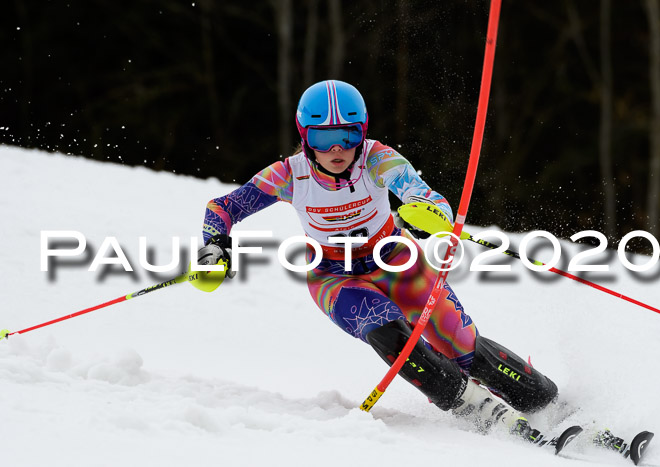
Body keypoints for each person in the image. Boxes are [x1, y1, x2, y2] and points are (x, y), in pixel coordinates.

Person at [197, 79, 557, 437]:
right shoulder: (290, 175)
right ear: (305, 136)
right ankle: (472, 405)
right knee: (389, 334)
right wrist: (215, 244)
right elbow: (224, 207)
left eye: (349, 136)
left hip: (396, 259)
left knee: (461, 345)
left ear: (363, 132)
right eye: (323, 138)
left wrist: (427, 212)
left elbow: (426, 195)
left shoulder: (377, 159)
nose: (337, 148)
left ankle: (546, 402)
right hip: (333, 275)